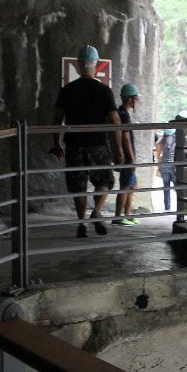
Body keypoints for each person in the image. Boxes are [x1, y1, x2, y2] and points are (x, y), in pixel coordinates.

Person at [52, 45, 122, 237]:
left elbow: (57, 119)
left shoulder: (67, 90)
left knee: (78, 185)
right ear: (96, 65)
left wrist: (56, 143)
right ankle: (97, 211)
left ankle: (81, 224)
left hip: (74, 144)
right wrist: (118, 148)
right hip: (98, 144)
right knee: (104, 180)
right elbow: (115, 120)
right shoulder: (104, 90)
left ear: (77, 64)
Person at [112, 83, 141, 226]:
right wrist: (131, 157)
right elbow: (125, 137)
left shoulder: (124, 113)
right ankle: (118, 216)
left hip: (128, 155)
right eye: (135, 97)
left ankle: (127, 215)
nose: (137, 100)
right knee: (125, 185)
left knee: (132, 185)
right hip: (127, 156)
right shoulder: (122, 114)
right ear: (129, 98)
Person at [154, 126, 177, 212]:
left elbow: (158, 155)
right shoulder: (177, 140)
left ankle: (167, 207)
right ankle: (180, 205)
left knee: (166, 187)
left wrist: (159, 166)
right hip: (174, 166)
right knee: (177, 187)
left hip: (164, 166)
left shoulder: (161, 141)